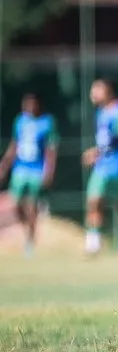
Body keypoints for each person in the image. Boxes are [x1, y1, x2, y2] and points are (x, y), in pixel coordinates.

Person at [82, 78, 118, 255]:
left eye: (97, 90)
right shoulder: (100, 112)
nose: (93, 94)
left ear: (108, 91)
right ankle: (93, 242)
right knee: (94, 200)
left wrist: (96, 152)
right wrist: (98, 154)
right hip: (101, 167)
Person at [0, 93, 59, 258]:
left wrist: (49, 171)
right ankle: (27, 226)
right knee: (16, 203)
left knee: (32, 205)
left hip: (36, 169)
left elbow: (51, 149)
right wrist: (4, 165)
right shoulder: (20, 121)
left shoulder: (47, 122)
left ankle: (30, 242)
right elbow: (15, 144)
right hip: (20, 168)